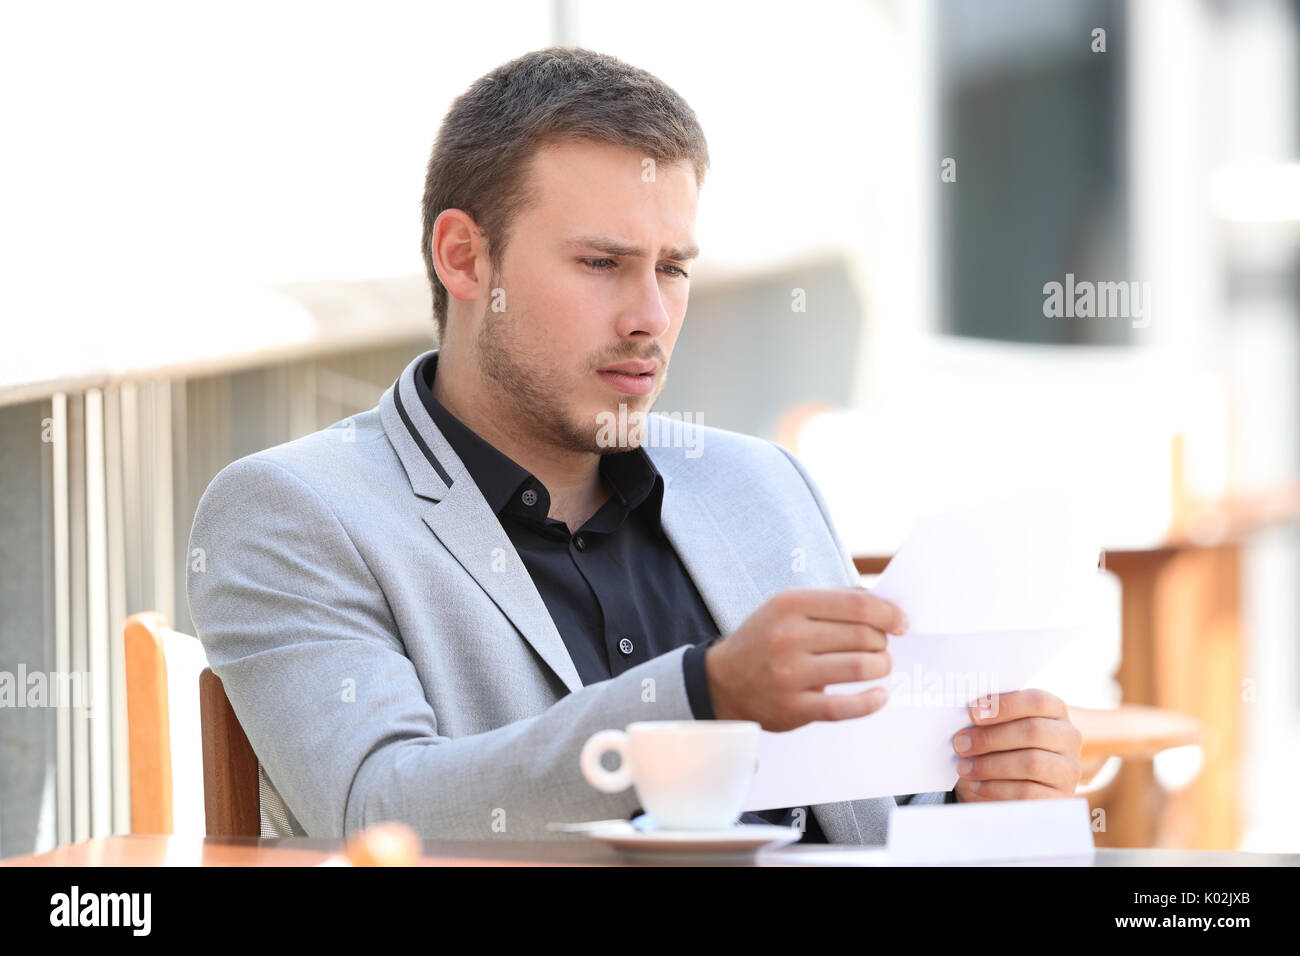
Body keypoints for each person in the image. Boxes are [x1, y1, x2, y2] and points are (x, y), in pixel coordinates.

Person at [186, 46, 1082, 840]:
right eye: (601, 264)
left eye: (673, 268)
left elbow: (874, 814)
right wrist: (701, 698)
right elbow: (378, 812)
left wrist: (977, 788)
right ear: (464, 258)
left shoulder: (762, 484)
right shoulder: (295, 512)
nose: (651, 317)